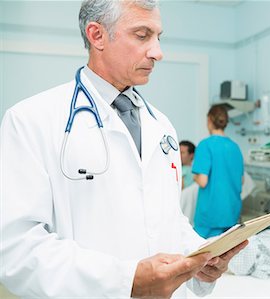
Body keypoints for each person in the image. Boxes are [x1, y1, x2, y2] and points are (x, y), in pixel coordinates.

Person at [0, 1, 247, 298]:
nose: (158, 52)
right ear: (97, 36)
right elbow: (16, 250)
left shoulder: (162, 126)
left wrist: (199, 258)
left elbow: (168, 218)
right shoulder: (31, 120)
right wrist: (127, 279)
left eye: (159, 37)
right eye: (143, 35)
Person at [192, 105, 244, 239]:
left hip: (210, 216)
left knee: (205, 257)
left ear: (209, 120)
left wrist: (195, 177)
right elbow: (241, 180)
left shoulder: (205, 145)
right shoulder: (235, 147)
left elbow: (203, 181)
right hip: (231, 214)